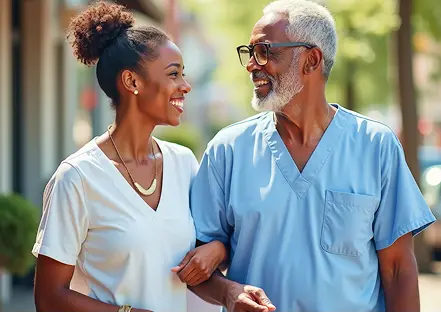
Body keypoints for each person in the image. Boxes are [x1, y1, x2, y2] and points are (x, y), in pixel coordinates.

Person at [186, 0, 437, 311]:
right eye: (249, 53)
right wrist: (226, 292)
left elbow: (399, 269)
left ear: (311, 59)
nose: (252, 64)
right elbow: (195, 264)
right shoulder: (228, 150)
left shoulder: (376, 146)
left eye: (265, 51)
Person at [32, 1, 226, 312]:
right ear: (132, 82)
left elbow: (209, 245)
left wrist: (217, 249)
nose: (185, 86)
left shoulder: (183, 163)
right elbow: (49, 297)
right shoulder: (77, 178)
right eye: (173, 74)